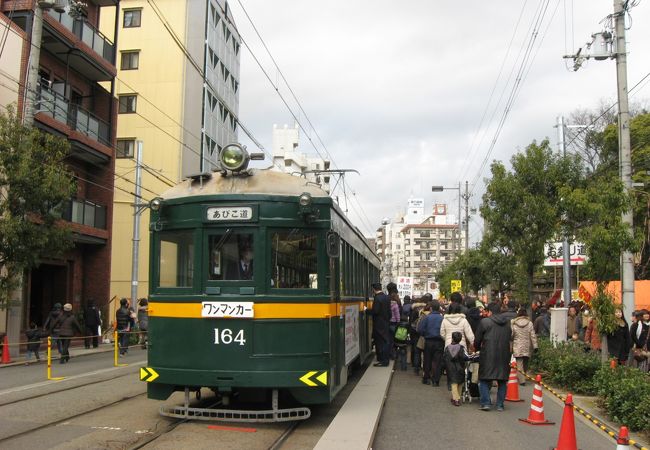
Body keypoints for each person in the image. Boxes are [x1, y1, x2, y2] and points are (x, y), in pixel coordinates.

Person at [474, 302, 512, 411]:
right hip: (504, 355)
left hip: (488, 354)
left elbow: (477, 340)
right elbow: (509, 337)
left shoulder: (485, 322)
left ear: (490, 311)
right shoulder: (507, 323)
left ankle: (486, 403)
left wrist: (476, 349)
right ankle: (500, 405)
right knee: (502, 380)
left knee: (484, 379)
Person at [417, 299, 444, 386]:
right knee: (437, 361)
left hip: (428, 341)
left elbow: (420, 329)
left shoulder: (426, 317)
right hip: (439, 342)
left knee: (427, 360)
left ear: (431, 308)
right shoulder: (442, 318)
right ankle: (436, 380)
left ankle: (426, 378)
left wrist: (425, 334)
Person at [443, 331, 473, 406]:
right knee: (460, 383)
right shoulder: (461, 348)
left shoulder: (447, 348)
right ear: (460, 339)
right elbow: (466, 357)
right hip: (460, 368)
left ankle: (455, 398)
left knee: (453, 383)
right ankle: (457, 398)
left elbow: (444, 358)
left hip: (450, 368)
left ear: (452, 338)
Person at [511, 308, 538, 385]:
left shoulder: (514, 323)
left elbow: (512, 335)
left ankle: (522, 379)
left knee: (519, 363)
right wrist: (535, 346)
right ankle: (523, 376)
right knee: (525, 362)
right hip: (527, 345)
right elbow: (533, 335)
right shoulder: (529, 323)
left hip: (517, 345)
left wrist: (511, 341)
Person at [370, 283, 391, 367]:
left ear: (374, 289)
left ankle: (382, 361)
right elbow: (389, 312)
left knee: (380, 342)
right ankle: (386, 360)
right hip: (385, 323)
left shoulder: (377, 298)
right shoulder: (387, 297)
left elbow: (375, 311)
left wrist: (366, 310)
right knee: (385, 341)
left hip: (378, 324)